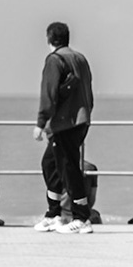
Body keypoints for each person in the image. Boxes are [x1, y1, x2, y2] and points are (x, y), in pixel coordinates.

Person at [33, 21, 95, 234]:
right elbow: (88, 90)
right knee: (51, 164)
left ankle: (81, 217)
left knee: (69, 168)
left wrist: (40, 123)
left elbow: (48, 94)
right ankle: (53, 214)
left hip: (65, 123)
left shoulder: (54, 60)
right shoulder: (80, 59)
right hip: (81, 120)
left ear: (49, 39)